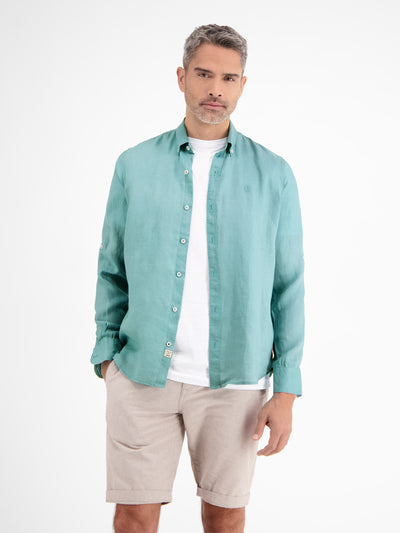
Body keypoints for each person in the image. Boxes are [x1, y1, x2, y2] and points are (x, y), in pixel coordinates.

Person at [90, 23, 305, 533]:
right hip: (141, 374)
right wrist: (107, 358)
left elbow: (288, 286)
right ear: (182, 77)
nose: (216, 89)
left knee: (224, 518)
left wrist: (286, 391)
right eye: (204, 74)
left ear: (242, 85)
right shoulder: (134, 165)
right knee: (133, 518)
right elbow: (111, 268)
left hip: (236, 382)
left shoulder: (274, 174)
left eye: (229, 79)